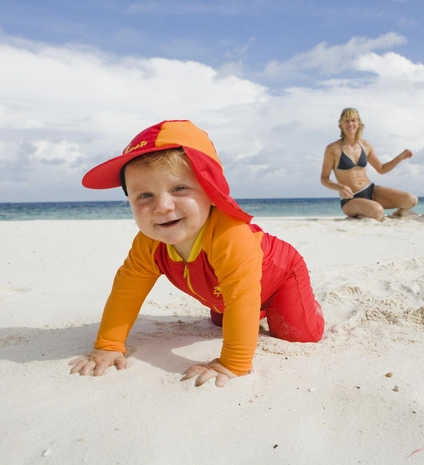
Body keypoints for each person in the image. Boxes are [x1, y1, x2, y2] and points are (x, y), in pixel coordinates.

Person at [70, 120, 325, 387]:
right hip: (222, 293)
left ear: (212, 191)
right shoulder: (148, 242)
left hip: (279, 277)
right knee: (221, 320)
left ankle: (304, 304)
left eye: (179, 188)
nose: (163, 206)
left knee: (297, 333)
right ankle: (255, 312)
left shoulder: (230, 235)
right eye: (145, 195)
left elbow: (241, 299)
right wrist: (109, 344)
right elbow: (128, 291)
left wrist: (232, 363)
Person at [320, 108, 418, 220]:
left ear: (359, 124)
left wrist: (400, 157)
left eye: (353, 120)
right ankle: (368, 210)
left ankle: (397, 213)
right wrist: (340, 187)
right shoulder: (333, 149)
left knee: (411, 200)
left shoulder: (366, 145)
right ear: (340, 125)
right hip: (350, 199)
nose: (350, 124)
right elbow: (324, 178)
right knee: (377, 212)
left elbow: (381, 169)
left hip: (371, 191)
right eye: (346, 121)